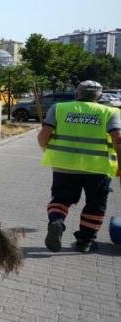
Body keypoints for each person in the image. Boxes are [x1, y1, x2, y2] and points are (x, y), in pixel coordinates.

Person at [37, 80, 121, 253]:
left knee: (60, 199)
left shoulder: (59, 108)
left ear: (77, 93)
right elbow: (118, 140)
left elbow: (43, 136)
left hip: (64, 166)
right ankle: (85, 242)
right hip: (98, 168)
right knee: (95, 205)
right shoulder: (110, 112)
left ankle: (56, 221)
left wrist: (44, 146)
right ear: (99, 96)